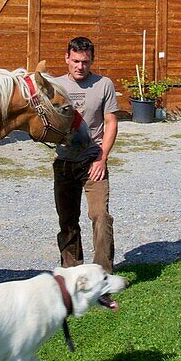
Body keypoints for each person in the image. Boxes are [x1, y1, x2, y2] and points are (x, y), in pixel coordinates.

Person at [53, 36, 118, 272]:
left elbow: (111, 122)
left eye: (86, 62)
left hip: (93, 162)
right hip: (64, 162)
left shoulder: (104, 85)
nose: (81, 66)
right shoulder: (56, 86)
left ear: (92, 61)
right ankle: (72, 269)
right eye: (76, 61)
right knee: (67, 220)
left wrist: (102, 157)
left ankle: (102, 273)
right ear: (67, 59)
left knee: (100, 216)